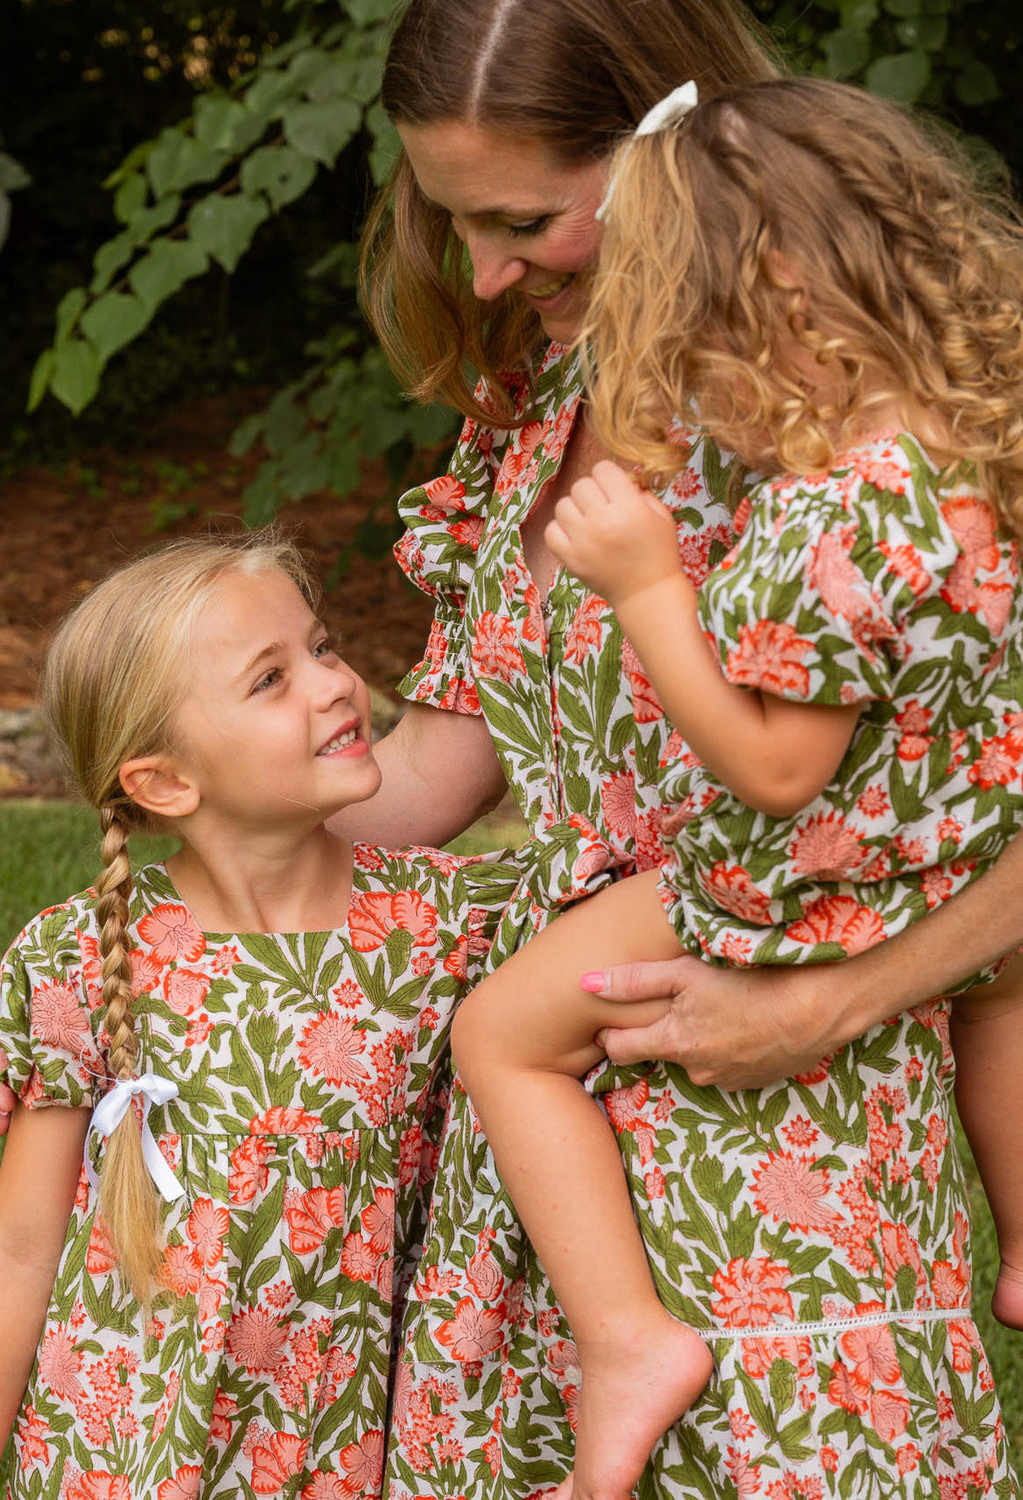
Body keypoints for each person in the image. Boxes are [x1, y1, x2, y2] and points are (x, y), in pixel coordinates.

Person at [0, 0, 1023, 1492]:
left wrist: (831, 1004)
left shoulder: (846, 425)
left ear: (672, 158)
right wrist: (189, 855)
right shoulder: (538, 428)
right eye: (451, 221)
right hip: (546, 1182)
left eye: (524, 218)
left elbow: (980, 799)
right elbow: (428, 782)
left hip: (791, 1159)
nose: (479, 272)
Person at [449, 76, 1023, 1500]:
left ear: (776, 301)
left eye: (700, 359)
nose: (712, 408)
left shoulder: (825, 516)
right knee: (1003, 983)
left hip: (791, 890)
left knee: (503, 1034)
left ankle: (627, 1338)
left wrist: (650, 588)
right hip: (955, 866)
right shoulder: (976, 469)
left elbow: (774, 769)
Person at [0, 534, 522, 1499]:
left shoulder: (449, 927)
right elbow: (18, 1245)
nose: (335, 684)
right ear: (165, 782)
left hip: (350, 1424)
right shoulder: (89, 956)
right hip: (139, 1438)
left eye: (322, 646)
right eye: (270, 680)